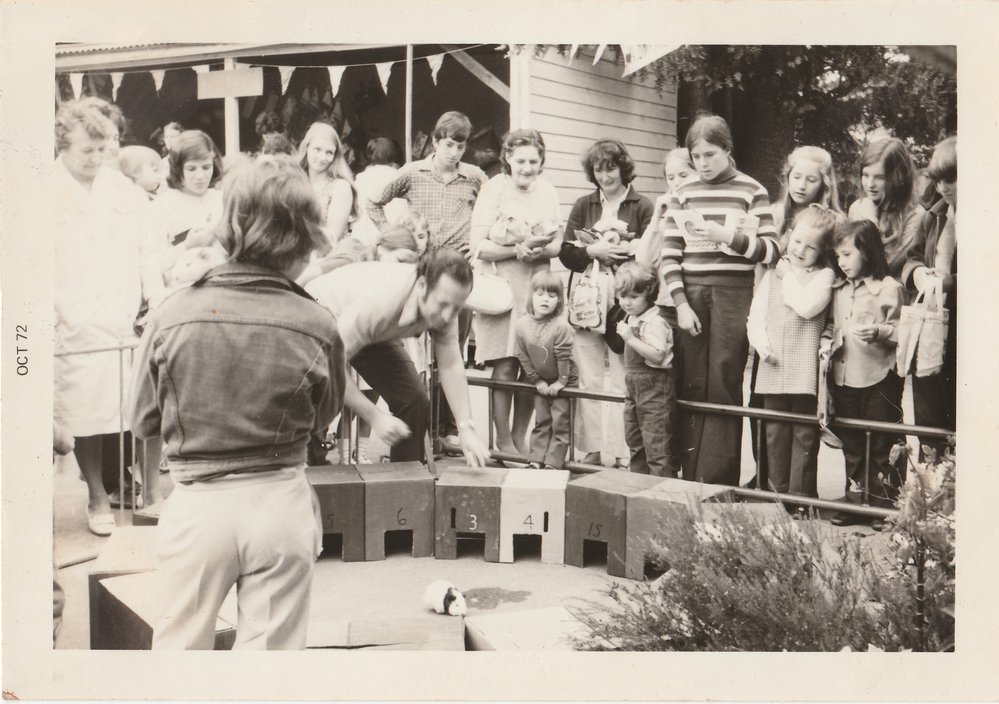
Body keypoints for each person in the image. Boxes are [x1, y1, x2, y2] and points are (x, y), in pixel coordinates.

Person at [128, 156, 346, 649]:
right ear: (302, 237)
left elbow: (141, 421)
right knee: (269, 666)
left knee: (179, 658)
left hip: (199, 506)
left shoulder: (171, 313)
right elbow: (324, 417)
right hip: (280, 502)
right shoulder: (317, 322)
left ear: (229, 225)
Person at [661, 114, 780, 486]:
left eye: (710, 154)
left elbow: (771, 251)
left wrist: (727, 236)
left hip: (733, 294)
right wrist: (680, 303)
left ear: (728, 151)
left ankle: (718, 482)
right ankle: (690, 476)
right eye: (696, 156)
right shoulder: (684, 192)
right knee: (693, 383)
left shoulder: (752, 190)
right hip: (692, 295)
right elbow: (668, 254)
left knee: (724, 382)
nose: (703, 164)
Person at [366, 111, 487, 454]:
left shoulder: (475, 177)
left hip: (458, 272)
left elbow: (493, 208)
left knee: (451, 350)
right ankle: (418, 430)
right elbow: (373, 202)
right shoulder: (412, 172)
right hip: (421, 271)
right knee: (413, 354)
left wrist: (477, 242)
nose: (454, 152)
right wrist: (394, 240)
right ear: (435, 142)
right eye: (448, 144)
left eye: (460, 145)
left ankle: (447, 428)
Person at [51, 99, 144, 535]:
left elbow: (145, 245)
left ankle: (123, 483)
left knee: (120, 403)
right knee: (83, 408)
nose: (96, 159)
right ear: (63, 146)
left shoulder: (121, 188)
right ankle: (95, 493)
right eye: (86, 151)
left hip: (117, 312)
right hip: (70, 316)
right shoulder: (43, 189)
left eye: (101, 149)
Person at [306, 249, 489, 468]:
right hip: (321, 314)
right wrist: (374, 415)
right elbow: (331, 366)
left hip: (371, 331)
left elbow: (450, 364)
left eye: (456, 308)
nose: (447, 316)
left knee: (413, 400)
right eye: (442, 305)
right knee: (316, 399)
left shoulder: (444, 301)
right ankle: (313, 470)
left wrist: (466, 428)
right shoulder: (378, 302)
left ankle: (404, 486)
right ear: (422, 286)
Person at [559, 138, 654, 468]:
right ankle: (593, 447)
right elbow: (566, 253)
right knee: (588, 377)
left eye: (610, 167)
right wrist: (591, 252)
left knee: (623, 377)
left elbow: (650, 254)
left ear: (623, 168)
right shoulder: (584, 204)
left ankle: (625, 449)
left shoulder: (641, 206)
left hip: (623, 302)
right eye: (598, 169)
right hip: (586, 301)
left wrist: (625, 252)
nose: (605, 175)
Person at [470, 129, 562, 457]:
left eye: (533, 161)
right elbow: (478, 246)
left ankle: (519, 437)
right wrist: (516, 249)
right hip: (502, 289)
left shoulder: (548, 191)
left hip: (536, 287)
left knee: (531, 366)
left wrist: (539, 250)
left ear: (541, 162)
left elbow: (557, 243)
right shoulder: (494, 189)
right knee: (506, 364)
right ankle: (502, 441)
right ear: (507, 158)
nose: (526, 167)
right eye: (520, 160)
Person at [747, 204, 841, 500]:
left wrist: (788, 274)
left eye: (811, 247)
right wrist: (763, 347)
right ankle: (778, 495)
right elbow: (755, 316)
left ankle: (800, 499)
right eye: (797, 241)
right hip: (773, 367)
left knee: (803, 434)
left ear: (822, 250)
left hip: (804, 371)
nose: (800, 250)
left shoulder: (823, 277)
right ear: (789, 235)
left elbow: (806, 306)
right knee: (775, 433)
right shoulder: (772, 275)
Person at [821, 220, 905, 529]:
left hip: (880, 376)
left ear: (867, 252)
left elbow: (903, 331)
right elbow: (830, 326)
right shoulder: (839, 290)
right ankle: (856, 503)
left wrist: (881, 331)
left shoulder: (889, 288)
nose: (841, 263)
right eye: (838, 256)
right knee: (853, 443)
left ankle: (886, 506)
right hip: (845, 378)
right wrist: (825, 343)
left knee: (881, 441)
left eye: (847, 254)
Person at [900, 135, 957, 454]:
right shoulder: (933, 216)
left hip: (964, 333)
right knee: (929, 419)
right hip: (931, 327)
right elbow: (912, 257)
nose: (944, 188)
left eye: (951, 179)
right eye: (938, 180)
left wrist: (946, 283)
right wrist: (919, 273)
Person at [141, 130, 225, 310]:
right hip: (180, 299)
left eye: (206, 167)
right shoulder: (162, 206)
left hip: (222, 295)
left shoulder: (222, 200)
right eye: (192, 168)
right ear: (178, 169)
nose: (201, 176)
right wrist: (186, 246)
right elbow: (151, 260)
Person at [614, 261, 678, 477]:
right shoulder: (631, 317)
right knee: (635, 441)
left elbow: (659, 356)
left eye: (633, 297)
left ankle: (663, 499)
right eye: (622, 297)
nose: (626, 303)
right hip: (634, 390)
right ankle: (638, 492)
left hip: (654, 391)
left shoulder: (655, 321)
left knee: (656, 447)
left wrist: (631, 339)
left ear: (648, 293)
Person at [512, 271, 577, 469]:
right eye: (540, 294)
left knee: (560, 422)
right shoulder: (521, 325)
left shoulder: (561, 326)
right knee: (542, 420)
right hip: (541, 379)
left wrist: (562, 382)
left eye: (551, 295)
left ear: (559, 301)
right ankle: (536, 459)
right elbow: (523, 356)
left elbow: (563, 356)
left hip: (563, 379)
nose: (545, 299)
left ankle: (554, 461)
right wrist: (536, 381)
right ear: (531, 296)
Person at [847, 137, 922, 279]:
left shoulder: (915, 215)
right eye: (865, 175)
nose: (870, 184)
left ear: (898, 177)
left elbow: (884, 267)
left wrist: (870, 224)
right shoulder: (857, 208)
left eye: (879, 177)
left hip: (891, 295)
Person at [298, 121, 359, 247]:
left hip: (323, 256)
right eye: (317, 149)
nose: (322, 157)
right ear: (306, 147)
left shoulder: (340, 187)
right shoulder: (294, 181)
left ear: (335, 155)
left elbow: (331, 238)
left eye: (329, 152)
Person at [351, 137, 408, 247]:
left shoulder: (361, 178)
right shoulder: (398, 177)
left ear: (369, 154)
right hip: (390, 235)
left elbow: (356, 208)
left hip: (363, 234)